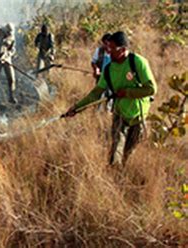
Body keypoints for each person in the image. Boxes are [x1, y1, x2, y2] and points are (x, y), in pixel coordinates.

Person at [64, 31, 157, 167]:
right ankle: (114, 174)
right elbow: (95, 94)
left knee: (129, 154)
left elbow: (151, 89)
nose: (108, 52)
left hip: (139, 116)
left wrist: (127, 92)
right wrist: (77, 107)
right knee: (115, 154)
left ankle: (123, 177)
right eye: (107, 48)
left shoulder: (138, 62)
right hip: (120, 114)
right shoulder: (108, 69)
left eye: (112, 49)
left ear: (123, 50)